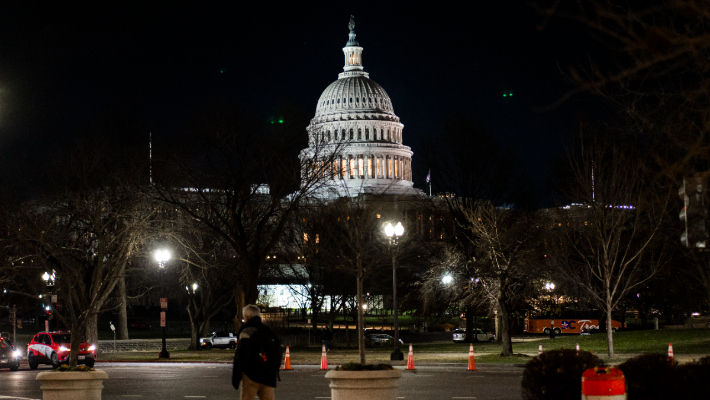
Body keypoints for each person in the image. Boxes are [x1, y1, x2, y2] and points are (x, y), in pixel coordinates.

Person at [232, 304, 281, 400]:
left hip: (251, 376)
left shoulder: (247, 332)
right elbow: (277, 351)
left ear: (247, 316)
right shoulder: (268, 332)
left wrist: (237, 376)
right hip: (268, 376)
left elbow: (242, 355)